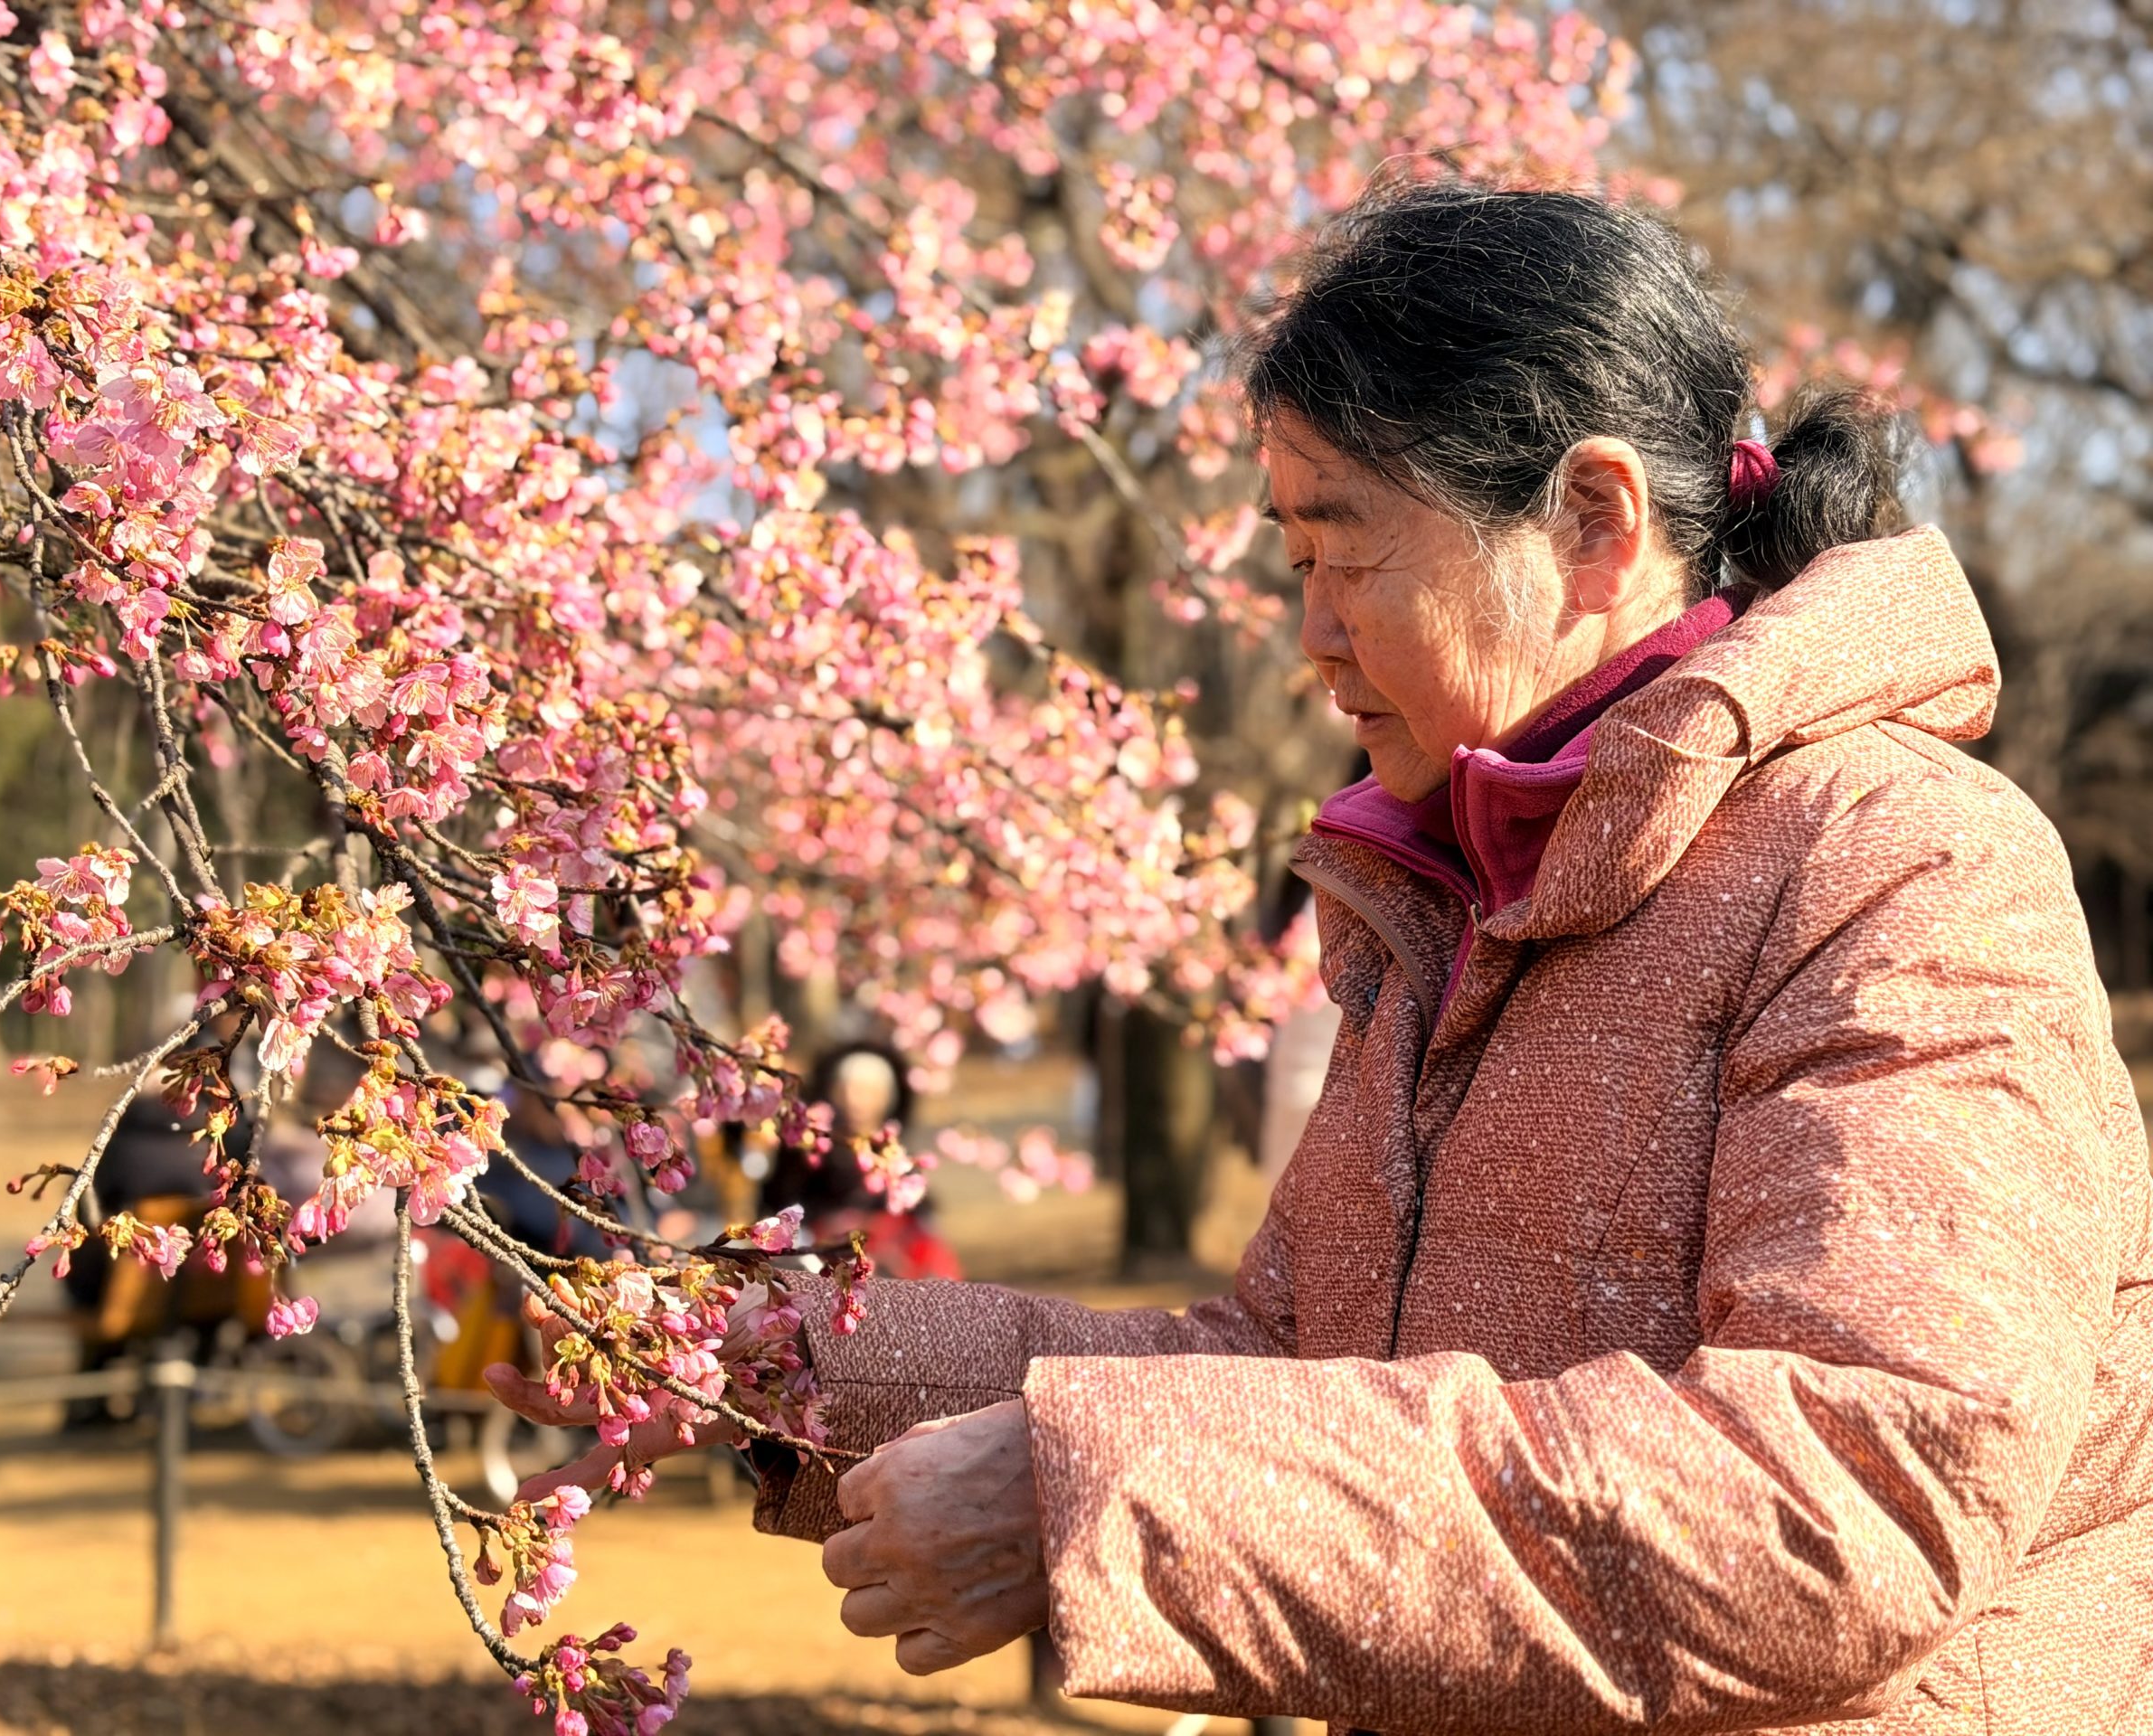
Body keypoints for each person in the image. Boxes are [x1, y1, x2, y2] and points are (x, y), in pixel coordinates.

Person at [488, 184, 2151, 1734]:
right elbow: (1287, 1373)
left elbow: (1852, 1494)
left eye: (1344, 554)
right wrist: (776, 1359)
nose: (1311, 637)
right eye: (1295, 565)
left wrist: (1094, 1485)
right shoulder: (1456, 894)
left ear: (1593, 517)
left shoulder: (1901, 864)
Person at [758, 1042, 963, 1282]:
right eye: (845, 1090)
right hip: (821, 1259)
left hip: (893, 1263)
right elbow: (783, 1203)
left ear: (887, 1099)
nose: (855, 1101)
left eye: (868, 1092)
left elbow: (920, 1220)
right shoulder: (808, 1148)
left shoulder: (895, 1156)